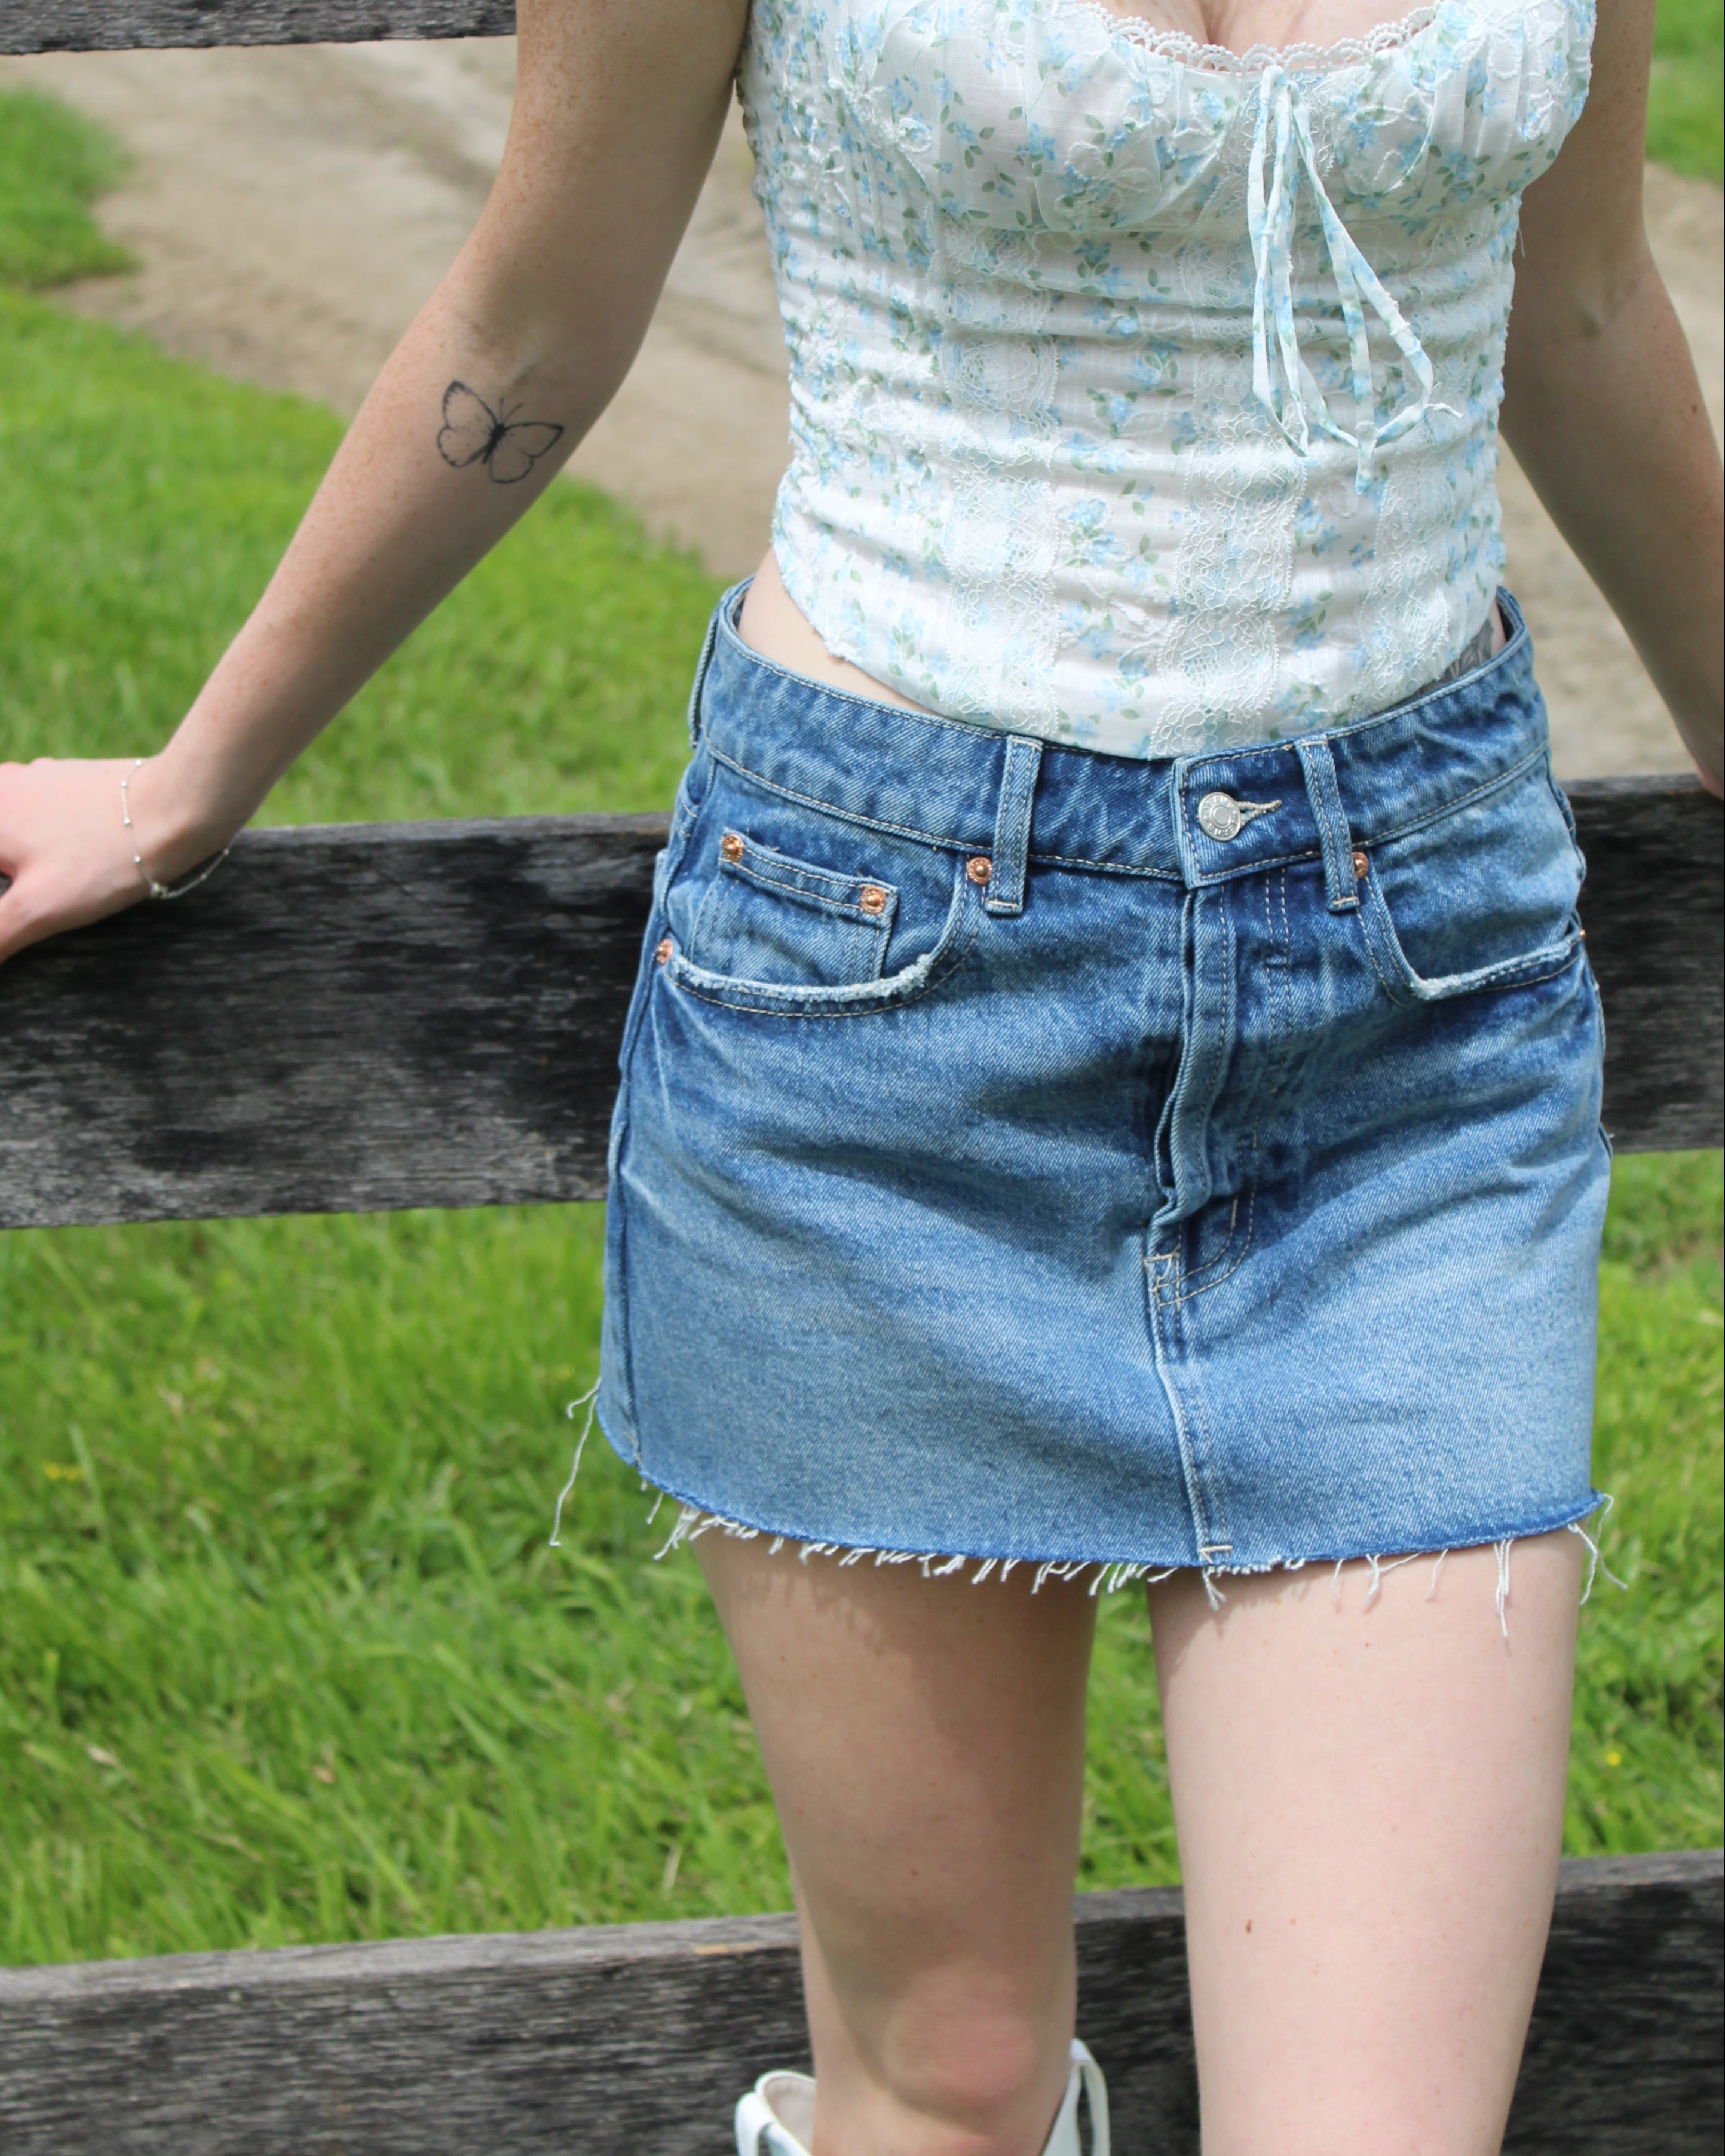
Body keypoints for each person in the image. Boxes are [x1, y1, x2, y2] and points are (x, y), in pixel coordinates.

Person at [2, 0, 1720, 2146]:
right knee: (948, 2081)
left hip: (1411, 1022)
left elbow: (1580, 302)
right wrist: (190, 781)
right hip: (879, 1001)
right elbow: (537, 315)